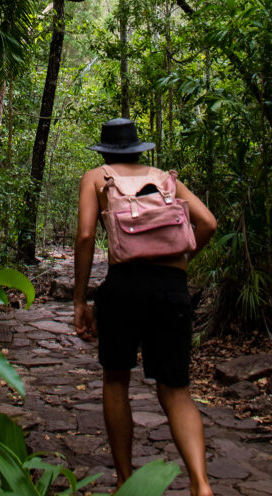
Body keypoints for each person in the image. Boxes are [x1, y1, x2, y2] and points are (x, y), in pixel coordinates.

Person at [73, 117, 217, 496]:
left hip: (124, 287)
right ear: (139, 149)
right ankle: (201, 484)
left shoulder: (95, 177)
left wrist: (80, 299)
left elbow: (87, 234)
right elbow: (208, 223)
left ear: (104, 150)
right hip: (172, 289)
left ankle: (124, 481)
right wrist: (181, 262)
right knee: (176, 388)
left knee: (116, 378)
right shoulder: (165, 178)